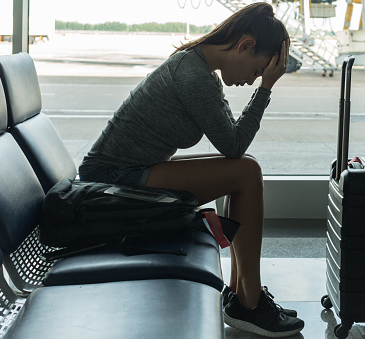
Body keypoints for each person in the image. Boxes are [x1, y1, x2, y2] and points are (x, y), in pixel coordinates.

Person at [78, 2, 304, 337]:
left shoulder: (200, 70)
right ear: (245, 46)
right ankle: (250, 303)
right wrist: (266, 90)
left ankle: (243, 296)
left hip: (129, 171)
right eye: (257, 71)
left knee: (246, 170)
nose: (253, 79)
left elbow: (234, 144)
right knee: (245, 172)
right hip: (114, 181)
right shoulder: (193, 75)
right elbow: (233, 146)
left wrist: (262, 85)